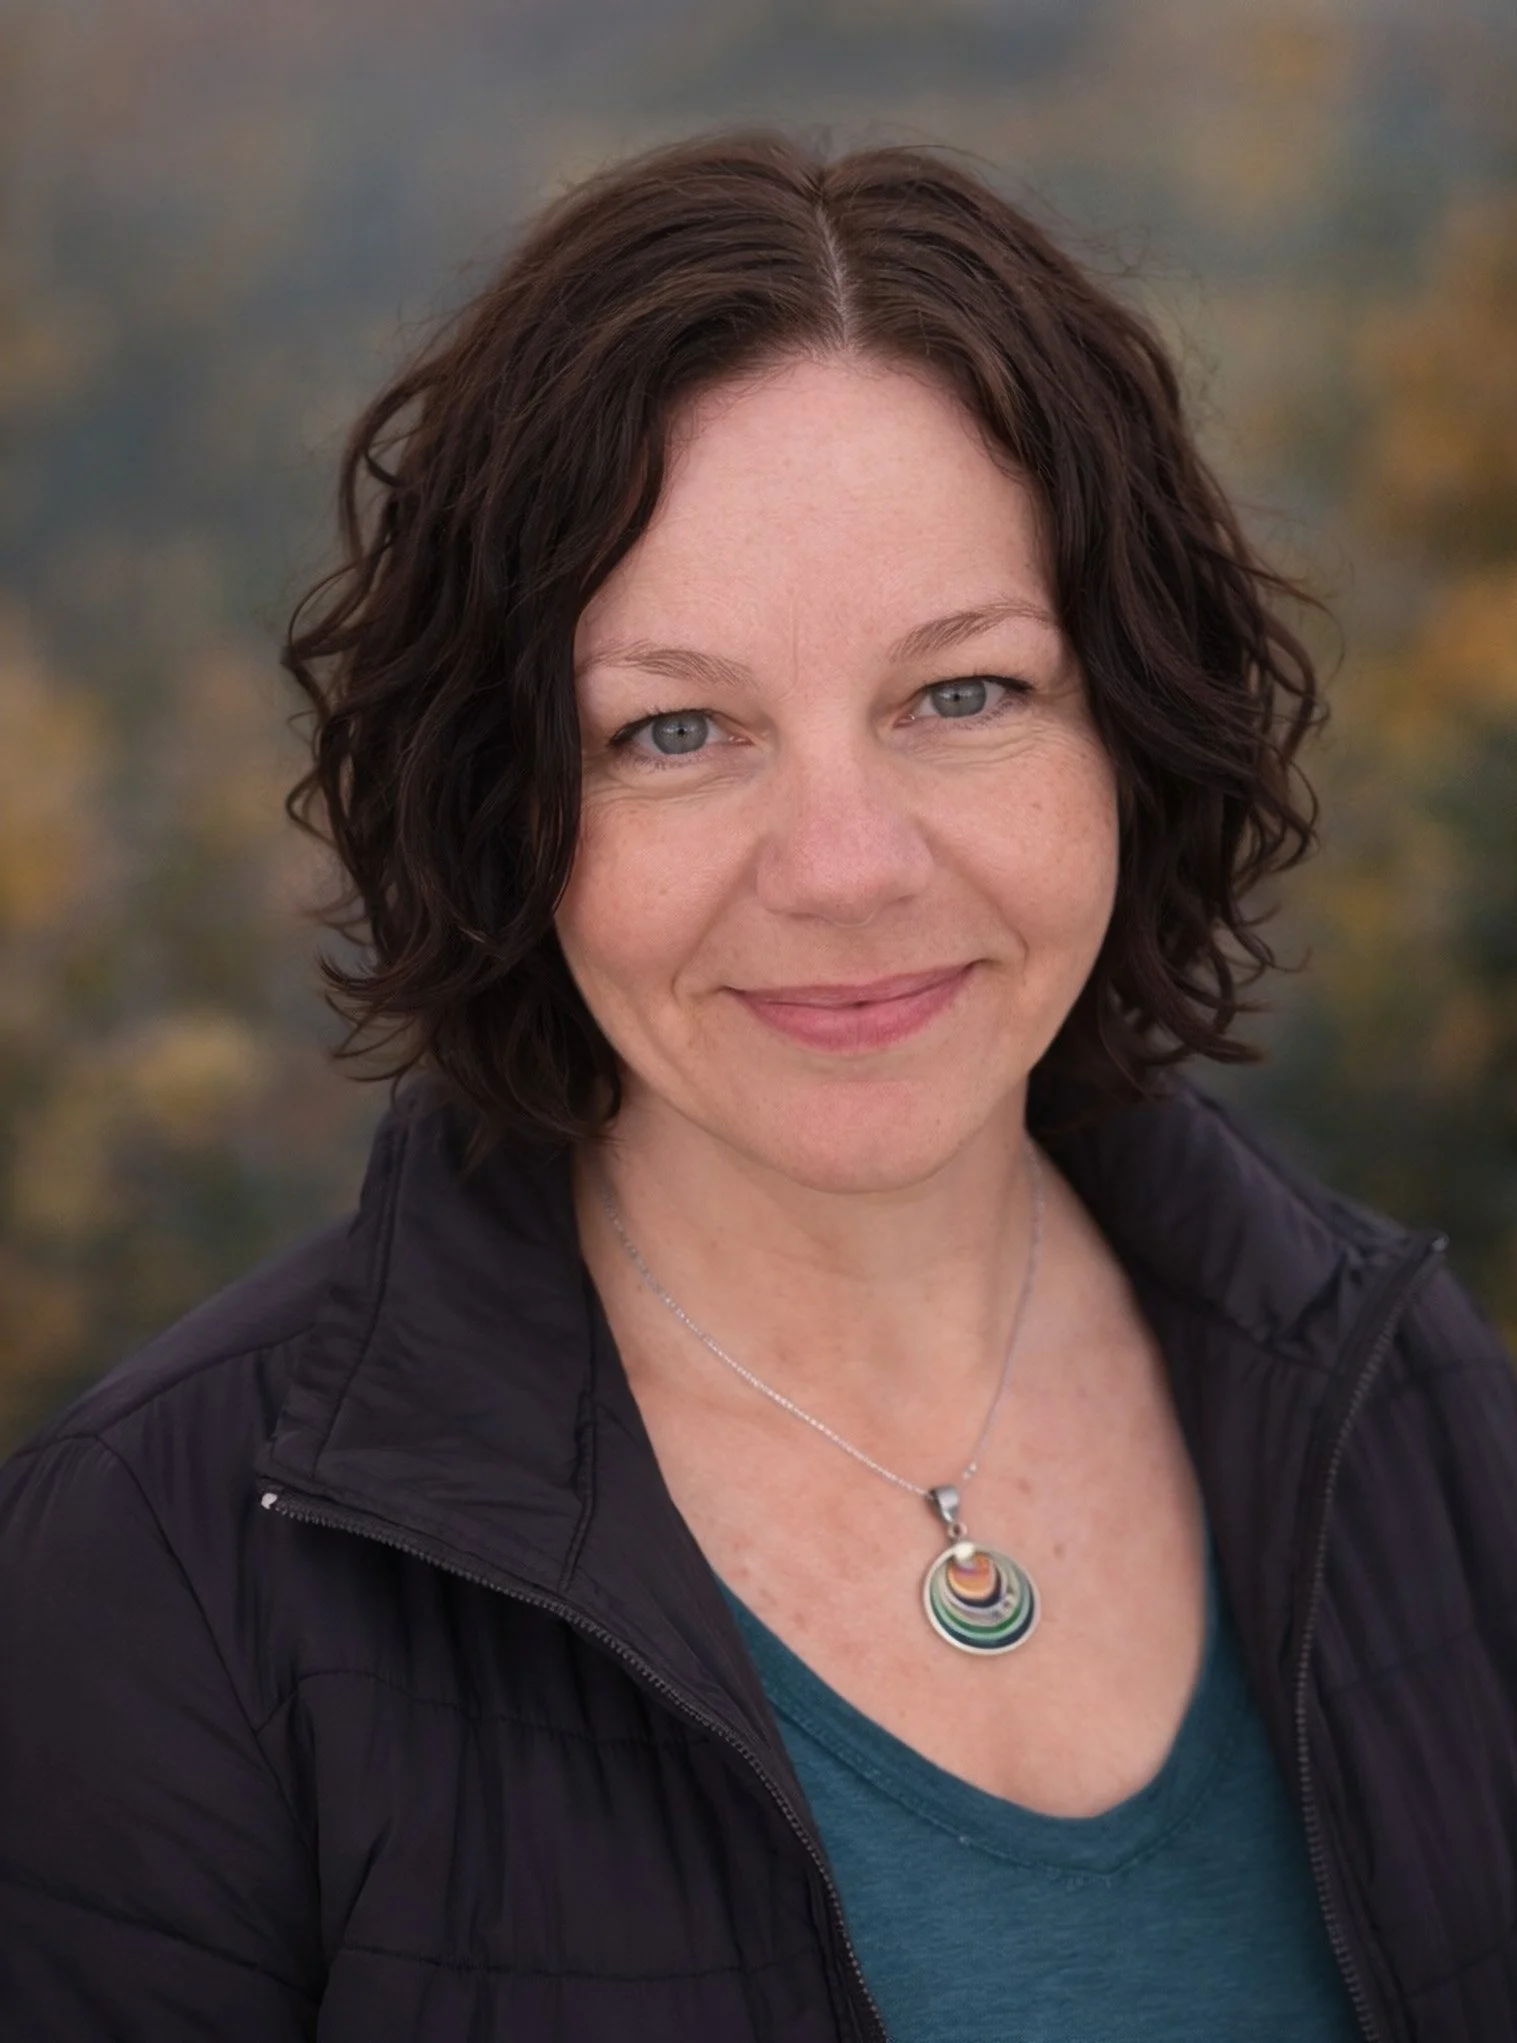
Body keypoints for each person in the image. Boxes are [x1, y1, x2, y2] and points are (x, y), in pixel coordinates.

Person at [1, 131, 1514, 2043]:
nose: (845, 864)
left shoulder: (1405, 1393)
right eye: (677, 729)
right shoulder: (157, 1575)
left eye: (964, 692)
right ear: (509, 806)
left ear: (1129, 726)